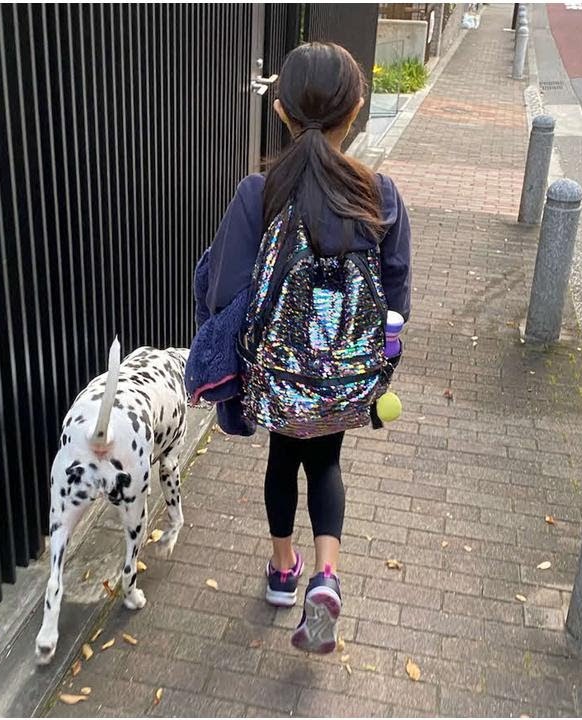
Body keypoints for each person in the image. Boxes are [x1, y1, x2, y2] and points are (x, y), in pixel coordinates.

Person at [194, 42, 412, 654]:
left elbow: (224, 293)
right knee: (326, 462)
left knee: (281, 460)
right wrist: (373, 365)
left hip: (277, 376)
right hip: (345, 380)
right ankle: (326, 575)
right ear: (357, 109)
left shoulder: (257, 193)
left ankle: (282, 571)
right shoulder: (379, 194)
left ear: (281, 110)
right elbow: (397, 297)